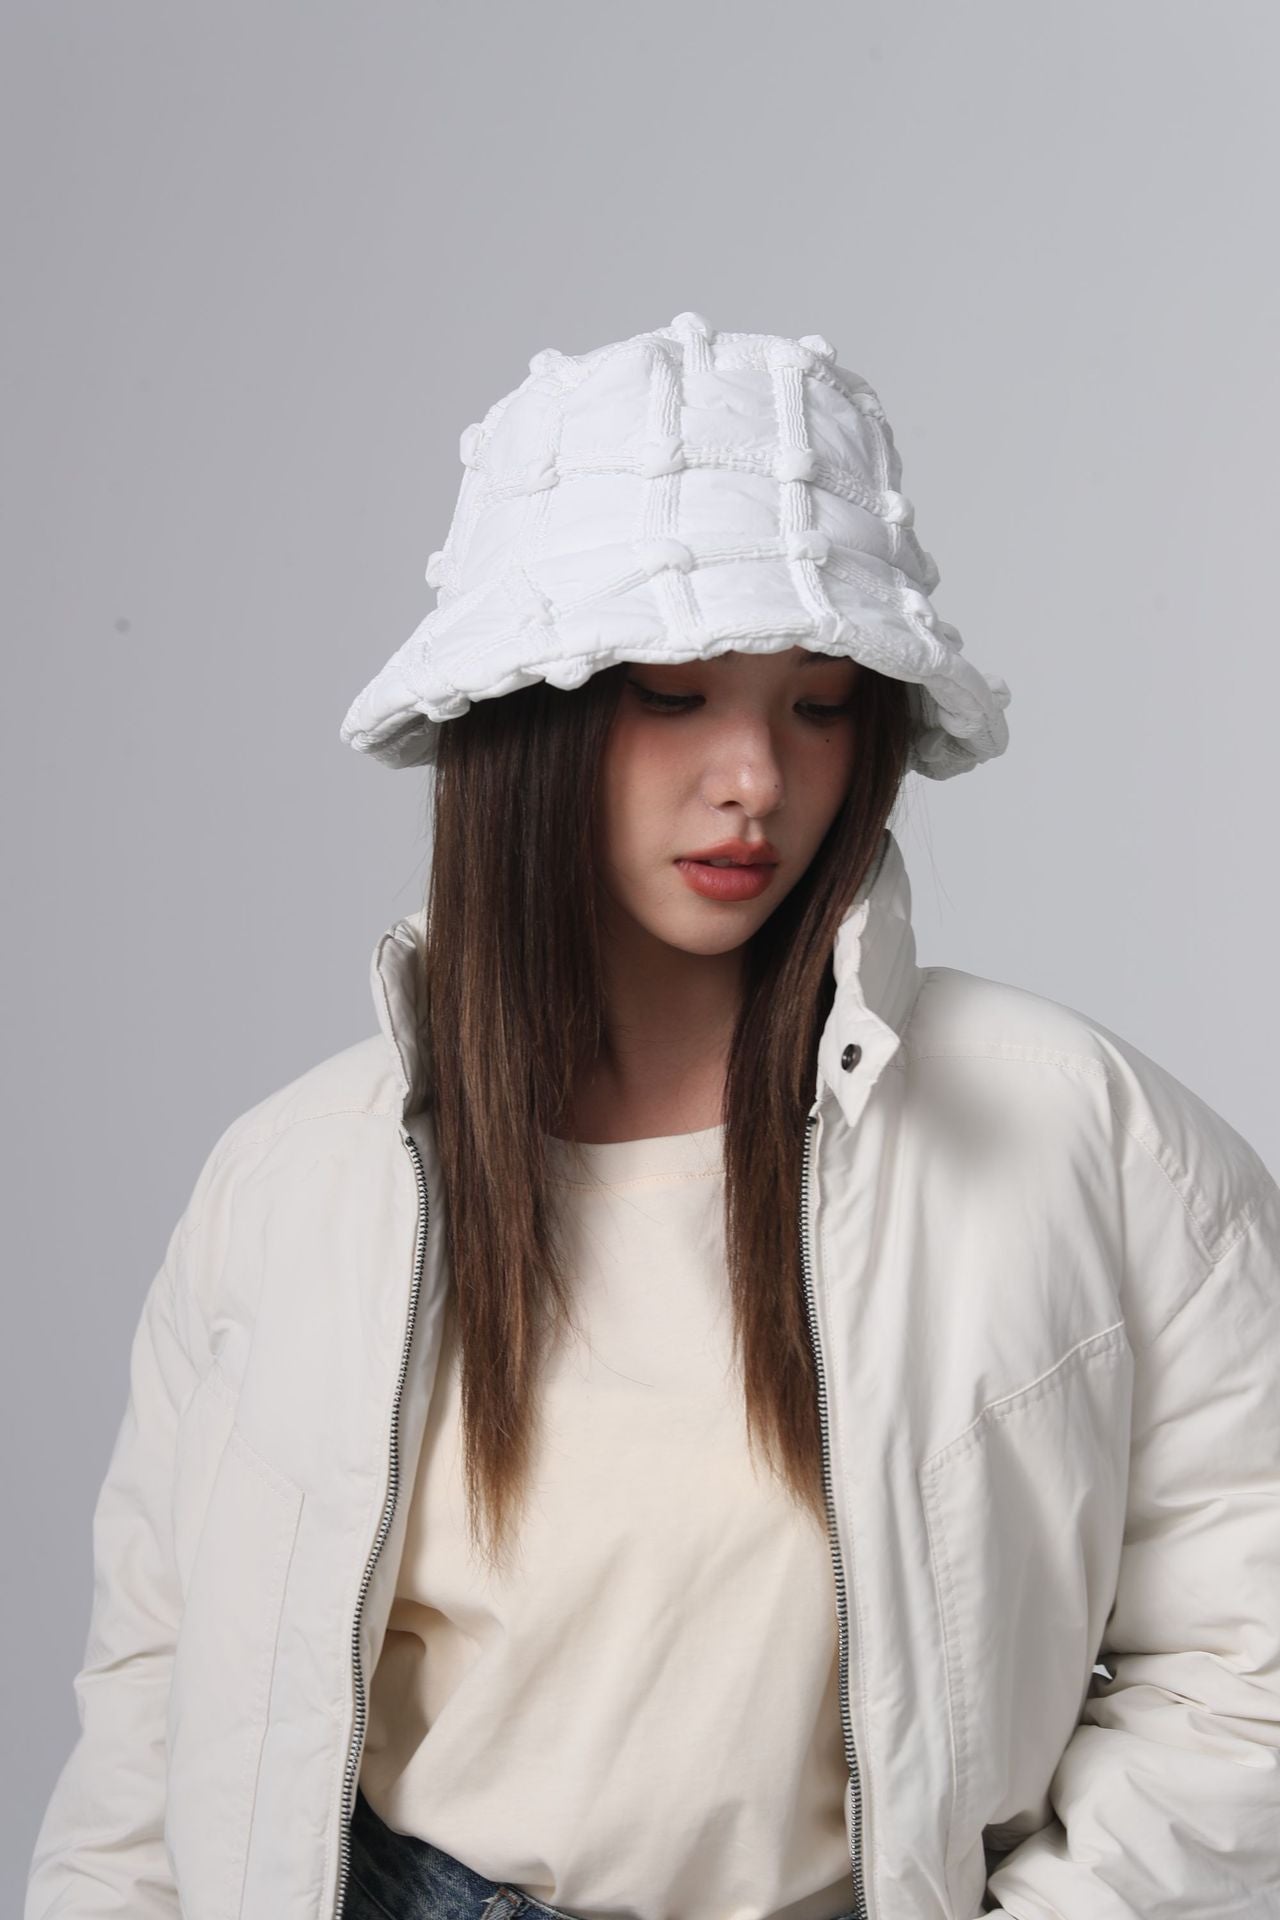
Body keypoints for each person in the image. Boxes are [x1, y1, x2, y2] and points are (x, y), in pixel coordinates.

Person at [25, 312, 1280, 1920]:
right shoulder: (290, 1184)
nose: (755, 776)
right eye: (674, 695)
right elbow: (152, 1735)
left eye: (819, 705)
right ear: (522, 724)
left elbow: (1246, 1669)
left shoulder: (1083, 1138)